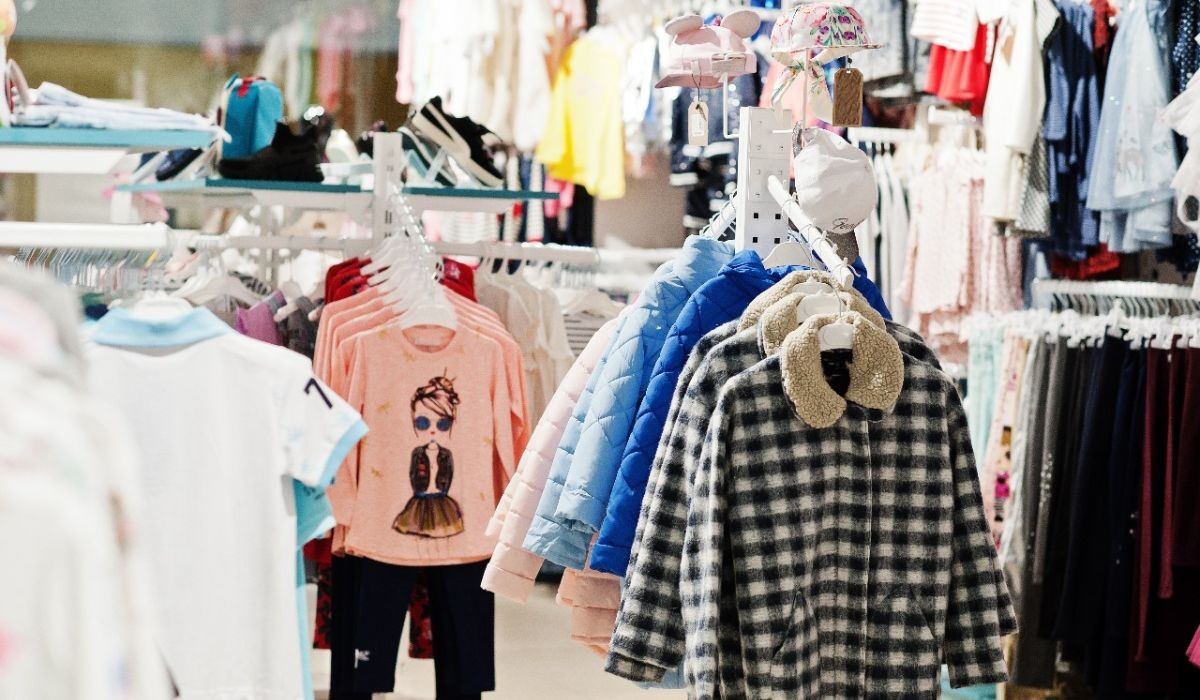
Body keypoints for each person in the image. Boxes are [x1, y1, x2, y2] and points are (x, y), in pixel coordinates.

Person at [393, 375, 465, 538]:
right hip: (421, 496)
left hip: (441, 497)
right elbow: (413, 473)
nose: (432, 430)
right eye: (423, 423)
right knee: (416, 529)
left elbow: (448, 473)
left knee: (443, 526)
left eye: (442, 424)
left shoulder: (446, 454)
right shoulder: (418, 452)